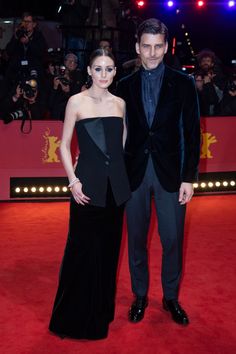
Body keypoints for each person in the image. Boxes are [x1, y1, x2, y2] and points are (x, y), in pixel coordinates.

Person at [116, 18, 200, 326]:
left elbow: (193, 134)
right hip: (134, 173)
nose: (152, 53)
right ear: (137, 47)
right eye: (146, 47)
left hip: (171, 174)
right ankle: (140, 294)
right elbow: (117, 133)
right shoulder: (123, 85)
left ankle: (171, 298)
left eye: (158, 47)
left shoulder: (183, 83)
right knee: (136, 239)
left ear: (166, 47)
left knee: (172, 239)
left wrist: (189, 177)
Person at [49, 48, 131, 340]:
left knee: (109, 253)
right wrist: (73, 181)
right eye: (98, 69)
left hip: (115, 190)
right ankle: (72, 318)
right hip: (86, 187)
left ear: (115, 72)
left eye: (109, 69)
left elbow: (120, 146)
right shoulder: (76, 101)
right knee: (81, 251)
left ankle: (101, 312)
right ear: (88, 71)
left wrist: (118, 178)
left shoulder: (120, 104)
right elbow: (63, 145)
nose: (104, 74)